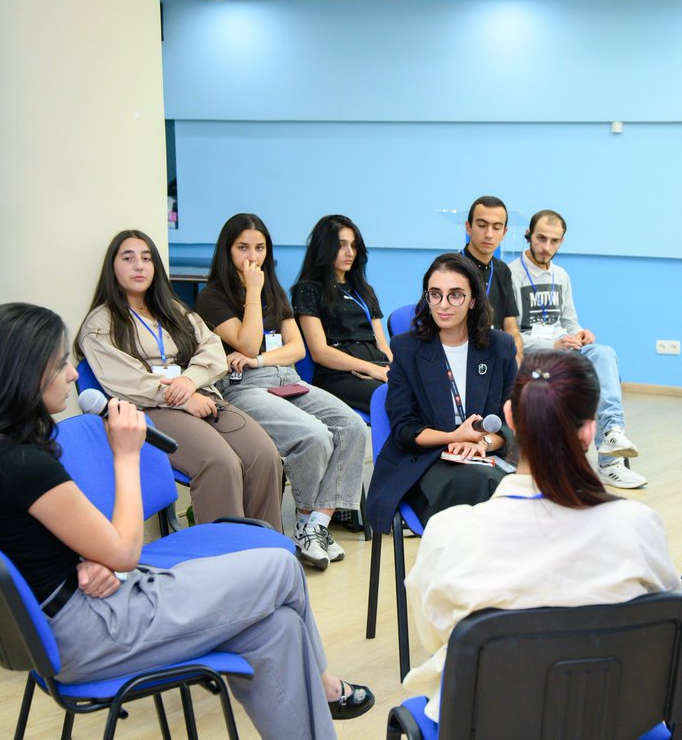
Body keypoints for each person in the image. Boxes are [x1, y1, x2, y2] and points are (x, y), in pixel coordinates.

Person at [0, 303, 374, 740]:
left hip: (63, 623)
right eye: (60, 365)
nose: (73, 374)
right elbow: (125, 550)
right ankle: (328, 685)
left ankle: (320, 703)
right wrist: (126, 457)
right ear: (22, 376)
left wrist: (86, 557)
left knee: (277, 630)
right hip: (94, 631)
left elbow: (30, 542)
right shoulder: (22, 465)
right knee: (281, 567)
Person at [404, 349, 682, 723]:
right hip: (610, 721)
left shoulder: (450, 533)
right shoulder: (637, 526)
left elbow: (437, 636)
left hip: (492, 723)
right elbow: (670, 622)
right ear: (589, 431)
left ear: (509, 419)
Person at [75, 230, 283, 529]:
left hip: (201, 395)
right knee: (220, 463)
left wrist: (190, 381)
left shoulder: (173, 310)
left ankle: (266, 550)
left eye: (147, 258)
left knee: (264, 456)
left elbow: (211, 348)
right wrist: (183, 397)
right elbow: (126, 381)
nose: (139, 266)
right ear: (112, 267)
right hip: (149, 409)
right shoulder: (100, 324)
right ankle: (224, 559)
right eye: (128, 258)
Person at [198, 214, 368, 570]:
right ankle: (307, 520)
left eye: (260, 248)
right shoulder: (212, 296)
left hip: (283, 377)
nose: (252, 257)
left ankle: (315, 525)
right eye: (243, 248)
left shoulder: (274, 290)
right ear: (226, 251)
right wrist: (253, 292)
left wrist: (258, 358)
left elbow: (296, 349)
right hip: (243, 387)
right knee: (314, 435)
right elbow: (244, 338)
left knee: (351, 426)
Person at [366, 253, 518, 531]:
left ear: (473, 300)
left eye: (455, 295)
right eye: (435, 295)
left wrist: (481, 444)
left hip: (487, 456)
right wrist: (454, 437)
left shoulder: (500, 347)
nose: (443, 305)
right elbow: (404, 429)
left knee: (536, 486)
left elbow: (512, 418)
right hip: (426, 462)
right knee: (485, 486)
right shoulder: (406, 350)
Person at [509, 209, 644, 488]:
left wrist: (580, 335)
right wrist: (553, 343)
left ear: (561, 242)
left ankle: (611, 439)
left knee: (603, 353)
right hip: (535, 356)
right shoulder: (511, 274)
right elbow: (511, 336)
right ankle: (605, 456)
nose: (546, 248)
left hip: (565, 350)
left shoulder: (561, 276)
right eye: (541, 239)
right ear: (528, 236)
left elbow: (569, 322)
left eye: (554, 241)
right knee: (587, 371)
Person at [291, 215, 392, 412]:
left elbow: (382, 345)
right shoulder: (308, 290)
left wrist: (395, 369)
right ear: (325, 248)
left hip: (377, 367)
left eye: (354, 246)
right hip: (339, 374)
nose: (350, 253)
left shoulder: (365, 291)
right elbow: (320, 352)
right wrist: (370, 368)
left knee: (421, 391)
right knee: (394, 398)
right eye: (341, 245)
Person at [461, 195, 524, 363]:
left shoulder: (503, 270)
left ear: (504, 233)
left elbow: (511, 329)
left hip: (497, 354)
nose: (489, 234)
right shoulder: (450, 268)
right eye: (482, 225)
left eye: (497, 228)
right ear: (469, 227)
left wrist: (518, 369)